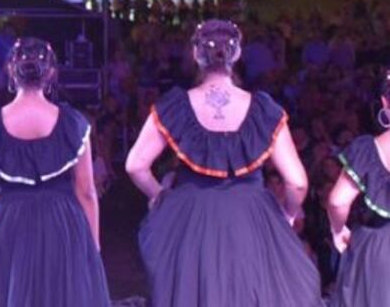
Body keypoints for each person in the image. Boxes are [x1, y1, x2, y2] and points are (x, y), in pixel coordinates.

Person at [125, 20, 323, 306]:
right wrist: (288, 216)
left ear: (196, 55)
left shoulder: (174, 106)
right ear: (237, 54)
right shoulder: (264, 111)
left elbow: (135, 166)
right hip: (251, 217)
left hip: (190, 217)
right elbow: (298, 182)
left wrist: (159, 196)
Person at [0, 37, 109, 307]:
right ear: (51, 73)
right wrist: (94, 243)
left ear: (11, 71)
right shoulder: (74, 123)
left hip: (7, 223)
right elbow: (87, 192)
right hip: (62, 222)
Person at [326, 68, 390, 306]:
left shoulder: (370, 149)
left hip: (379, 250)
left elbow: (337, 201)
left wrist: (338, 230)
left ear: (385, 102)